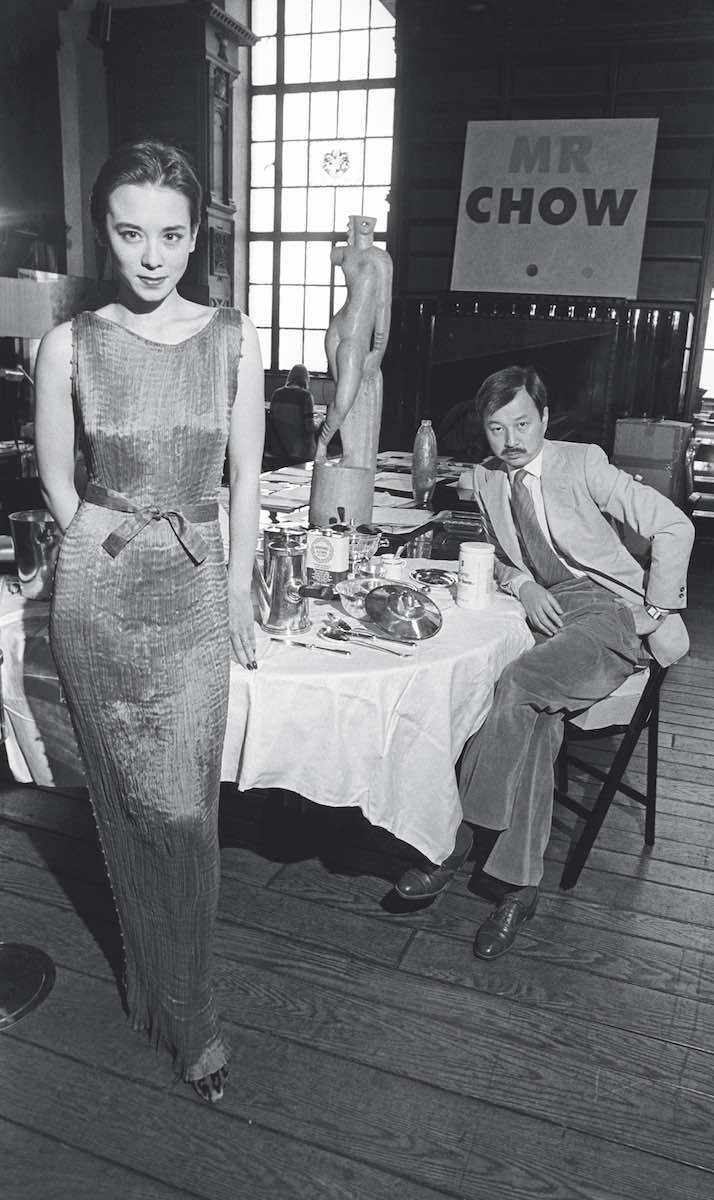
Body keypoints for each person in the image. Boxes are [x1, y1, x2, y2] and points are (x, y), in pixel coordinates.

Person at [34, 140, 264, 1102]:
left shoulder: (231, 338)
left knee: (184, 812)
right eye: (131, 233)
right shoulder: (69, 342)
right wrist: (93, 541)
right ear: (106, 232)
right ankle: (158, 991)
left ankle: (192, 1010)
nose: (153, 255)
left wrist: (241, 579)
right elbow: (57, 476)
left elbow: (245, 477)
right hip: (99, 591)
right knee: (127, 805)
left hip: (197, 587)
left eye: (171, 234)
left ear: (196, 234)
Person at [394, 364, 694, 959]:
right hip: (547, 612)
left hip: (608, 612)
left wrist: (655, 608)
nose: (512, 440)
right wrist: (522, 585)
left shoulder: (582, 462)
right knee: (535, 724)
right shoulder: (484, 480)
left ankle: (456, 840)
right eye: (498, 427)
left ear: (546, 419)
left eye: (524, 423)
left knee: (519, 681)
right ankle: (519, 890)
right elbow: (498, 555)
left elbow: (672, 524)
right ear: (484, 431)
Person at [316, 214, 392, 466]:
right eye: (360, 220)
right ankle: (348, 452)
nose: (366, 222)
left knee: (344, 400)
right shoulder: (343, 253)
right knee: (343, 395)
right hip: (337, 329)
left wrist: (378, 350)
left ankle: (322, 444)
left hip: (356, 337)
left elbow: (383, 306)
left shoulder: (380, 259)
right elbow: (331, 253)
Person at [267, 363, 316, 464]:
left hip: (277, 449)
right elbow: (309, 427)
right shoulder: (306, 396)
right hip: (299, 452)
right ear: (306, 379)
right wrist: (319, 421)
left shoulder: (276, 394)